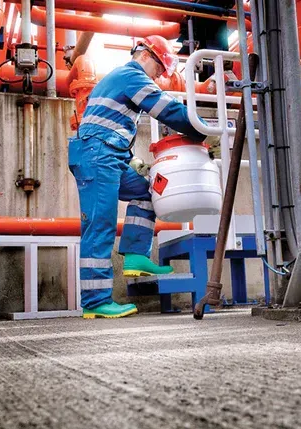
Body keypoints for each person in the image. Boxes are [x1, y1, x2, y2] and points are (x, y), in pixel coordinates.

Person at [68, 35, 217, 319]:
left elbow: (114, 130)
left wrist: (132, 160)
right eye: (160, 69)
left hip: (108, 155)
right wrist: (201, 128)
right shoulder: (131, 76)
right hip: (97, 156)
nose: (161, 76)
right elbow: (167, 109)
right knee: (100, 226)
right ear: (146, 55)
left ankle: (136, 255)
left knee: (148, 190)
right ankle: (95, 302)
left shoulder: (124, 80)